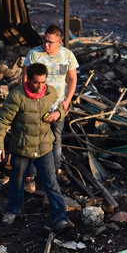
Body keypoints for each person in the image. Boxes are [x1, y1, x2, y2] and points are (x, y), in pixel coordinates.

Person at [0, 62, 73, 232]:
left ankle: (61, 218)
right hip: (22, 147)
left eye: (43, 82)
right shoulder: (16, 96)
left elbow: (60, 109)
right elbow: (2, 122)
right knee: (18, 181)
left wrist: (58, 114)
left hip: (44, 146)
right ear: (28, 79)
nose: (40, 86)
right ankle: (12, 210)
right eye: (36, 82)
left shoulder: (51, 92)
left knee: (51, 182)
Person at [23, 25, 79, 189]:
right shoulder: (35, 54)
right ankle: (30, 175)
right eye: (44, 40)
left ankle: (55, 170)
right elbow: (25, 76)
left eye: (50, 42)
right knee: (34, 139)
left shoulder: (67, 55)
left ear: (59, 42)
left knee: (56, 138)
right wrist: (30, 99)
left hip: (57, 106)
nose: (46, 45)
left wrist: (67, 100)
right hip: (37, 105)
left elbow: (72, 78)